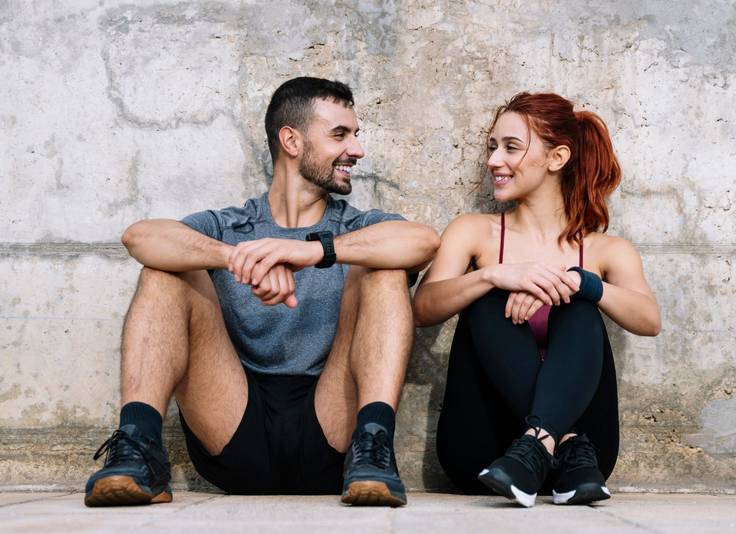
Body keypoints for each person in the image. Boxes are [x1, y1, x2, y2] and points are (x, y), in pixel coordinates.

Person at [84, 77, 440, 507]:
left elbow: (422, 243)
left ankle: (375, 445)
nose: (357, 150)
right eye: (340, 135)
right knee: (165, 271)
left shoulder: (355, 226)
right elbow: (139, 237)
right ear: (291, 140)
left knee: (382, 270)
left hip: (333, 432)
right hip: (234, 424)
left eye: (355, 136)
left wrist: (311, 251)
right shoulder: (231, 225)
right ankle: (139, 450)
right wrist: (241, 258)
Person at [413, 92, 660, 507]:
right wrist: (493, 275)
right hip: (488, 455)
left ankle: (541, 444)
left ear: (557, 157)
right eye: (492, 147)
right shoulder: (474, 231)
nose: (494, 160)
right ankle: (560, 441)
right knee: (487, 298)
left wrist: (582, 283)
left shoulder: (605, 250)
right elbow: (423, 308)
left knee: (580, 301)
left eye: (511, 148)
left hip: (583, 465)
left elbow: (649, 320)